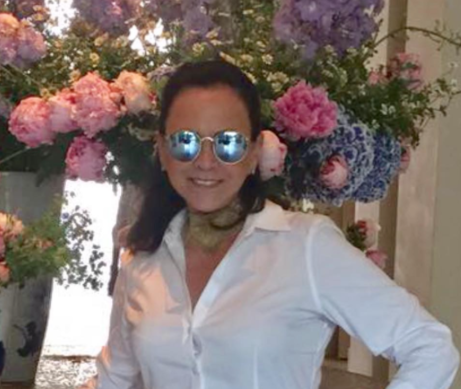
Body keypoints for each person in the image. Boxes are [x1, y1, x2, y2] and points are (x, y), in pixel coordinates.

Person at [87, 60, 459, 389]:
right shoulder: (143, 257)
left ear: (253, 154)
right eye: (186, 142)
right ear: (163, 151)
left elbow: (430, 347)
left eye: (228, 143)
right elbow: (114, 379)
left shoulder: (306, 246)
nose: (205, 161)